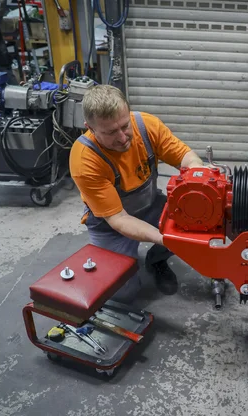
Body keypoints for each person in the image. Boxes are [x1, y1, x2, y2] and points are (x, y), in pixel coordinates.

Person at [69, 84, 205, 301]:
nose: (122, 137)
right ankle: (133, 265)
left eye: (125, 126)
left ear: (128, 113)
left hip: (150, 206)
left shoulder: (146, 126)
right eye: (111, 132)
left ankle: (156, 260)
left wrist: (202, 174)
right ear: (90, 128)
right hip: (110, 225)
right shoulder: (85, 160)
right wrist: (167, 238)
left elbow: (185, 157)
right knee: (124, 293)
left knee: (196, 221)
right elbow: (119, 220)